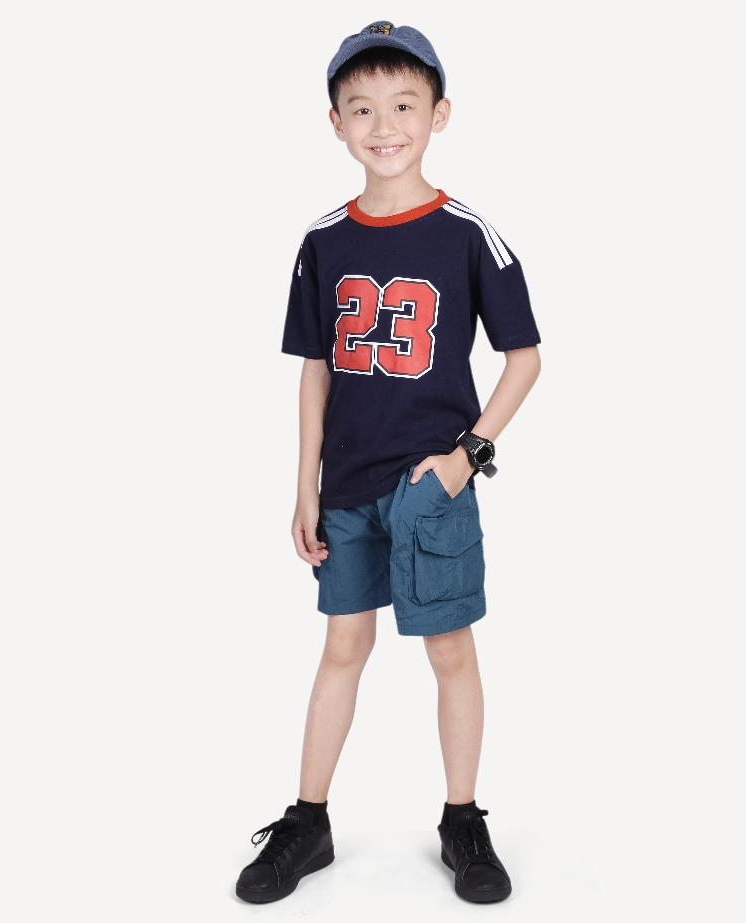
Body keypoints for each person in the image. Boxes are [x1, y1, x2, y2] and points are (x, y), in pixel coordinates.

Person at [235, 20, 542, 905]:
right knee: (342, 643)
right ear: (334, 122)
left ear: (439, 114)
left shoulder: (466, 233)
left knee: (448, 647)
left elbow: (524, 358)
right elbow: (315, 368)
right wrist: (303, 485)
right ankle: (308, 819)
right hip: (345, 486)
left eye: (404, 105)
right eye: (361, 107)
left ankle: (462, 819)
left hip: (430, 487)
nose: (384, 125)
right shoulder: (323, 240)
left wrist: (464, 458)